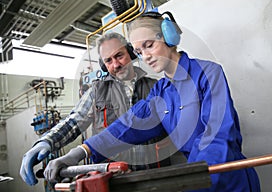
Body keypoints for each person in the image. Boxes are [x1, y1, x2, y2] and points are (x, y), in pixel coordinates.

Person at [43, 12, 261, 191]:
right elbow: (127, 126)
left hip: (225, 180)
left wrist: (192, 181)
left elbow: (215, 138)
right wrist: (82, 151)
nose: (145, 56)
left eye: (149, 45)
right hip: (195, 178)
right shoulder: (160, 92)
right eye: (139, 51)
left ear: (168, 38)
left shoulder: (208, 73)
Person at [20, 32, 171, 186]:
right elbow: (74, 121)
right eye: (108, 60)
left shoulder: (155, 86)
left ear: (131, 53)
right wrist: (46, 141)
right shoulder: (96, 92)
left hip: (154, 176)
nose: (116, 64)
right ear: (103, 64)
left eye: (119, 56)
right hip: (112, 180)